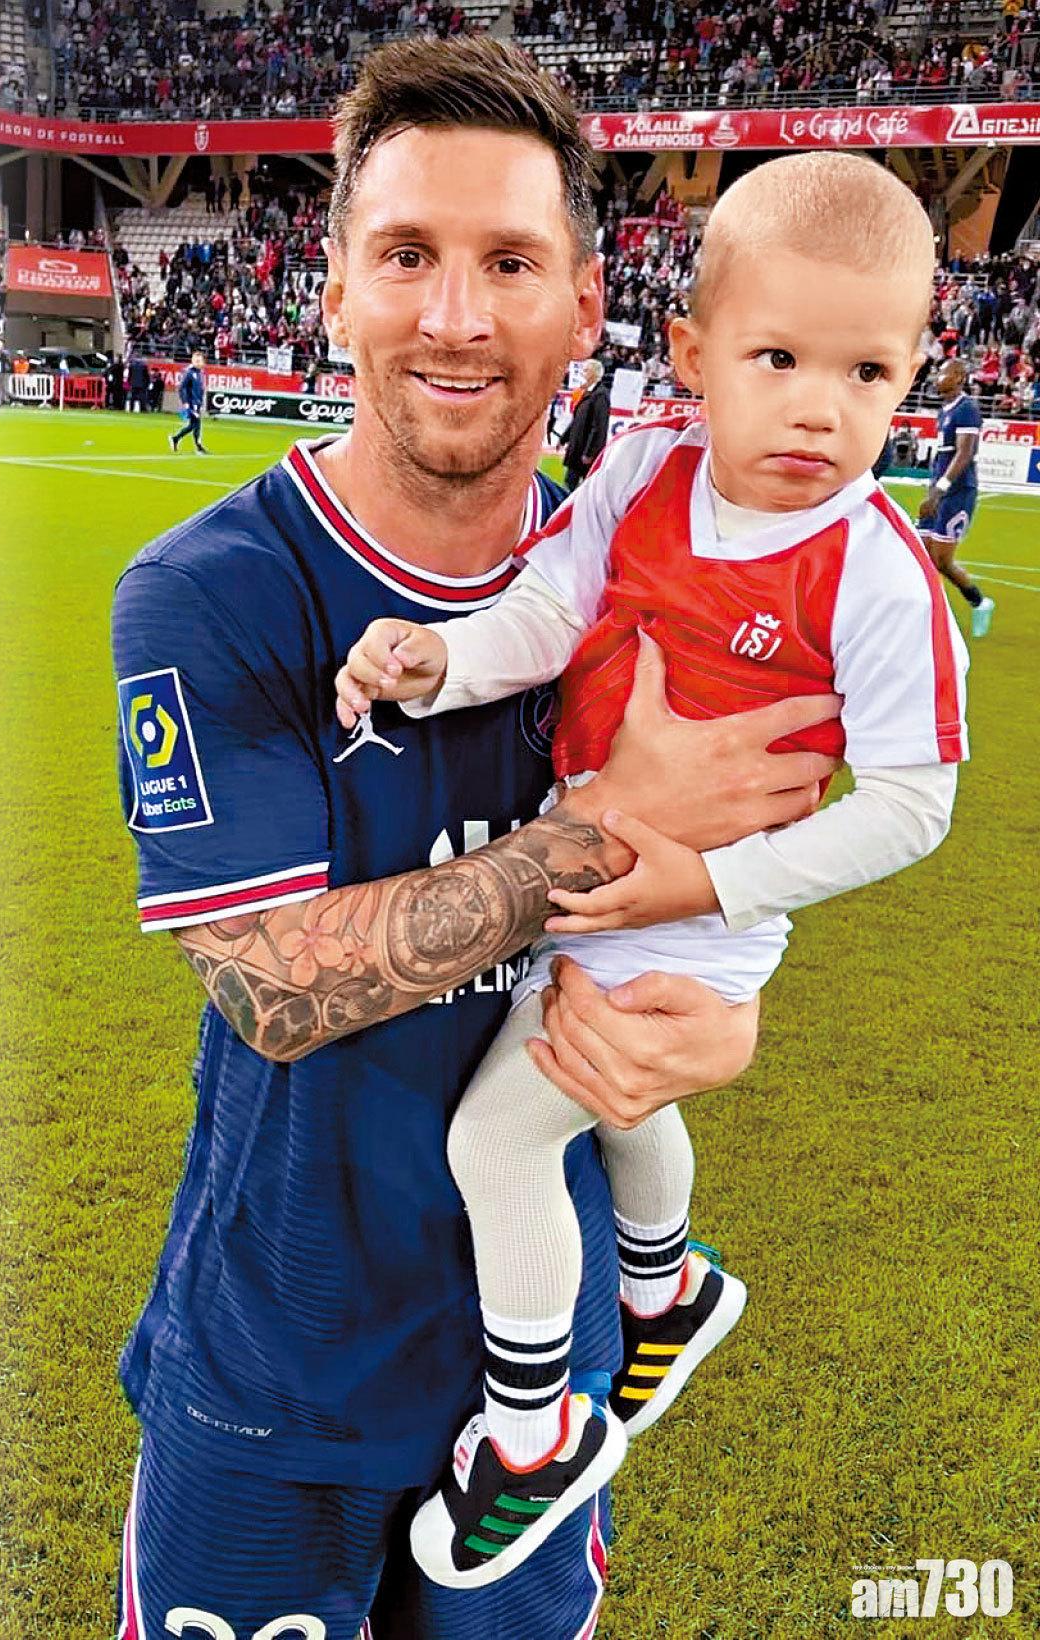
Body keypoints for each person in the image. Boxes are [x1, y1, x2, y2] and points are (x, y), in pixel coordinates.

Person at [110, 38, 841, 1640]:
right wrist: (597, 839)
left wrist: (717, 1019)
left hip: (542, 1380)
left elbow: (713, 905)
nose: (454, 315)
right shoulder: (216, 594)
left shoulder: (652, 584)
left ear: (584, 305)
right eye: (406, 256)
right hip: (275, 1376)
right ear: (333, 292)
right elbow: (274, 984)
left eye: (509, 262)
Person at [335, 151, 967, 1588]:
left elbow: (915, 806)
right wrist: (440, 664)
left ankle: (533, 1436)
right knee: (622, 1105)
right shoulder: (644, 475)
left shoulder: (876, 572)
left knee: (501, 1142)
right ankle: (665, 1285)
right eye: (778, 357)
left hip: (685, 914)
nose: (819, 405)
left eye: (867, 373)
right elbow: (548, 610)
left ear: (911, 377)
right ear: (690, 356)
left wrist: (709, 890)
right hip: (594, 855)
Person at [918, 357, 994, 638]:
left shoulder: (967, 409)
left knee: (941, 561)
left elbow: (964, 453)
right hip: (938, 490)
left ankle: (980, 602)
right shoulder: (944, 411)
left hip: (957, 493)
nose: (938, 377)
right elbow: (943, 455)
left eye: (944, 373)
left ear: (960, 377)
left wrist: (940, 490)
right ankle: (927, 615)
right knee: (921, 554)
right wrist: (932, 489)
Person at [561, 358, 610, 490]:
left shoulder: (600, 395)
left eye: (586, 370)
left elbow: (599, 427)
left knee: (583, 487)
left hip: (585, 451)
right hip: (578, 448)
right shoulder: (588, 392)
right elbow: (577, 420)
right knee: (570, 483)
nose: (583, 373)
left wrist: (589, 453)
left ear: (594, 373)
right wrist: (563, 439)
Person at [169, 350, 208, 452]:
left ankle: (176, 439)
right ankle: (198, 446)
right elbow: (182, 388)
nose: (199, 363)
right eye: (196, 361)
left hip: (197, 403)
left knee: (193, 425)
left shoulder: (199, 373)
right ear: (193, 361)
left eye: (200, 361)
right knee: (196, 424)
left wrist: (200, 402)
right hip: (191, 404)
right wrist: (185, 402)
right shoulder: (189, 373)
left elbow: (199, 389)